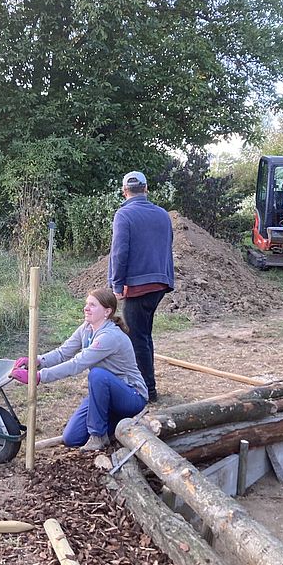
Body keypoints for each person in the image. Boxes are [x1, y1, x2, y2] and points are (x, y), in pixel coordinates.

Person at [9, 288, 148, 451]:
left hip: (131, 396)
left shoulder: (110, 336)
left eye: (92, 305)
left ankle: (98, 436)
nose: (86, 308)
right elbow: (63, 352)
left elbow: (77, 363)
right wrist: (37, 361)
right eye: (86, 304)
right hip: (106, 395)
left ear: (107, 311)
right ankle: (116, 424)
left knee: (98, 375)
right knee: (71, 438)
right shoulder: (87, 328)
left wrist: (39, 377)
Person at [108, 171, 174, 403]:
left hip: (137, 286)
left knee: (137, 338)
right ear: (146, 189)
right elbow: (167, 247)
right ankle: (147, 385)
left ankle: (147, 391)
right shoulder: (163, 215)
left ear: (125, 191)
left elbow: (119, 253)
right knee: (144, 335)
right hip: (159, 283)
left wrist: (117, 284)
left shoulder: (124, 215)